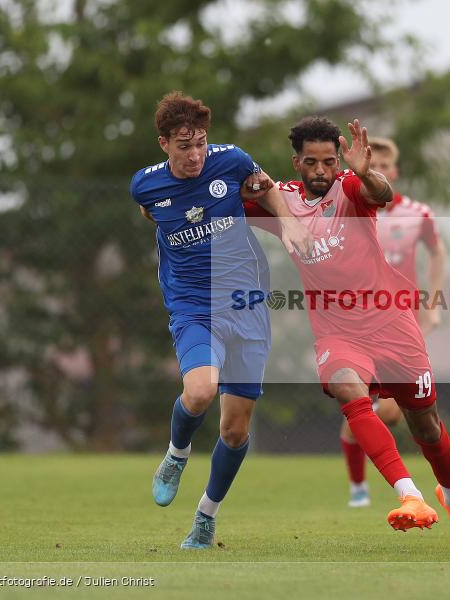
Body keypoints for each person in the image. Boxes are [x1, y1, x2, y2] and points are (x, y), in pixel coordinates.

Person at [245, 116, 450, 548]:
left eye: (329, 161)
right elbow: (224, 196)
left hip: (392, 325)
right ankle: (411, 497)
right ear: (296, 162)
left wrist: (367, 171)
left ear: (338, 161)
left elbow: (381, 194)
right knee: (350, 393)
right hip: (337, 333)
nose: (320, 171)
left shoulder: (350, 187)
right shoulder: (283, 202)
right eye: (310, 162)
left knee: (426, 427)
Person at [129, 91, 311, 549]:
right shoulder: (145, 185)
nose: (196, 155)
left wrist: (288, 222)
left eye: (201, 144)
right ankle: (176, 455)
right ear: (164, 144)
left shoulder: (230, 161)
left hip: (246, 302)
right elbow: (151, 209)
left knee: (234, 429)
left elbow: (266, 186)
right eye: (184, 146)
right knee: (201, 390)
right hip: (192, 305)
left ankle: (205, 519)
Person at [339, 136, 447, 508]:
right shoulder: (349, 206)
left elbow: (437, 251)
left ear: (394, 171)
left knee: (390, 411)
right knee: (360, 402)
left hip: (402, 319)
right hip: (356, 321)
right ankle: (358, 488)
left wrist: (433, 301)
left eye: (383, 166)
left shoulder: (417, 213)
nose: (377, 171)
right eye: (372, 164)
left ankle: (373, 479)